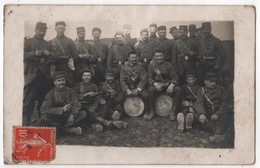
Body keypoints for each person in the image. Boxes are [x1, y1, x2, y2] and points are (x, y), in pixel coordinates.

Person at [23, 22, 53, 126]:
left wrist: (49, 55)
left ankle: (42, 125)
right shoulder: (28, 42)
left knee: (43, 102)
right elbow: (22, 55)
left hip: (45, 77)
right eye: (40, 30)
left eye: (44, 30)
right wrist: (34, 53)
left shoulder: (47, 44)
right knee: (28, 102)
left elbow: (53, 59)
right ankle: (25, 126)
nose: (42, 32)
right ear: (35, 30)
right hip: (32, 76)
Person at [40, 71, 86, 135]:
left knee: (83, 113)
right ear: (55, 83)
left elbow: (77, 104)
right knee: (44, 119)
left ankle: (60, 128)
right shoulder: (50, 94)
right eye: (59, 81)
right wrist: (62, 109)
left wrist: (72, 115)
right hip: (56, 117)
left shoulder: (70, 91)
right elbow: (44, 109)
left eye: (63, 80)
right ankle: (69, 130)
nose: (61, 82)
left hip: (68, 116)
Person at [145, 49, 182, 120]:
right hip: (157, 85)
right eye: (157, 56)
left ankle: (173, 112)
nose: (159, 58)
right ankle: (152, 111)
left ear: (163, 56)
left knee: (178, 90)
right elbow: (149, 77)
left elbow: (175, 76)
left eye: (160, 56)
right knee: (151, 90)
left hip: (167, 85)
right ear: (154, 57)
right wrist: (155, 83)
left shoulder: (168, 65)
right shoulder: (151, 65)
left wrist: (172, 84)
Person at [194, 72, 229, 143]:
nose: (213, 83)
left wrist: (217, 114)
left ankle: (217, 134)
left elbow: (225, 103)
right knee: (197, 115)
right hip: (207, 113)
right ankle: (215, 130)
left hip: (219, 113)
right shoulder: (201, 90)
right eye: (211, 82)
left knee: (224, 116)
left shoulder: (221, 89)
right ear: (205, 81)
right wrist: (201, 114)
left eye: (215, 81)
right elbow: (199, 103)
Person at [49, 21, 79, 87]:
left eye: (62, 29)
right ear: (55, 29)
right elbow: (49, 57)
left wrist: (69, 59)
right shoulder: (51, 42)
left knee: (69, 86)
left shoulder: (69, 41)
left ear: (65, 29)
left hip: (67, 68)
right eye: (59, 28)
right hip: (56, 68)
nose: (61, 30)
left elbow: (75, 56)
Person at [120, 50, 149, 115]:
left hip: (138, 86)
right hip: (128, 87)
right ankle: (122, 112)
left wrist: (138, 89)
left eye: (135, 57)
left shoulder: (141, 67)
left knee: (146, 95)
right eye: (132, 57)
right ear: (128, 58)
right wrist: (127, 90)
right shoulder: (124, 68)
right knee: (119, 98)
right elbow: (122, 80)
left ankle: (146, 110)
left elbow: (144, 79)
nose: (134, 59)